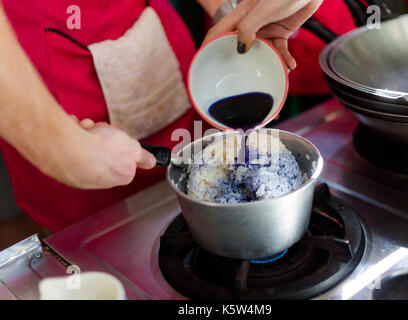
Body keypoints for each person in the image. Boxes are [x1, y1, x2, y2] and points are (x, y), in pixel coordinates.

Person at [0, 0, 322, 232]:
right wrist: (62, 148)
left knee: (185, 179)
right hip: (40, 63)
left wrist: (231, 11)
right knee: (90, 235)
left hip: (147, 34)